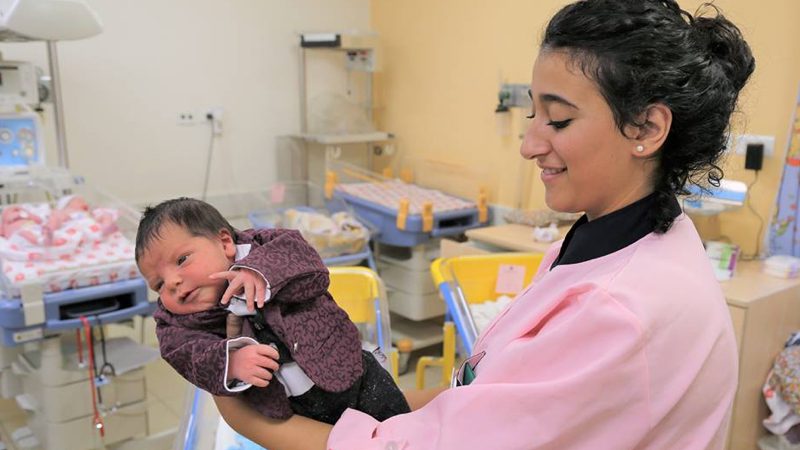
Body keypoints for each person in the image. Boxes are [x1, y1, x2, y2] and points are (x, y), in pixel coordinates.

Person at [213, 0, 756, 448]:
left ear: (647, 125)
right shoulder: (621, 237)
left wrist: (256, 423)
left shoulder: (620, 310)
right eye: (532, 115)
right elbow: (488, 394)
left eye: (559, 119)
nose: (530, 144)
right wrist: (367, 400)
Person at [135, 197, 409, 425]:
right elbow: (183, 353)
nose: (172, 283)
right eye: (158, 284)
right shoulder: (174, 322)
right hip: (288, 407)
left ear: (225, 243)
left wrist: (262, 273)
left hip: (351, 369)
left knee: (397, 424)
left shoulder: (267, 246)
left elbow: (312, 270)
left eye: (182, 260)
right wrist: (231, 360)